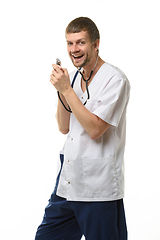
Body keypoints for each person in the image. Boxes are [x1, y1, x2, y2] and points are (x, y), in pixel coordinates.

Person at [35, 17, 130, 240]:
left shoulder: (115, 80)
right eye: (70, 43)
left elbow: (95, 129)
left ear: (96, 44)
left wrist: (67, 90)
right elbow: (63, 127)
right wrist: (61, 90)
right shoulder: (76, 78)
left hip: (98, 186)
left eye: (81, 43)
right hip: (68, 180)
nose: (74, 49)